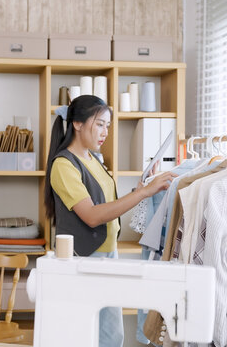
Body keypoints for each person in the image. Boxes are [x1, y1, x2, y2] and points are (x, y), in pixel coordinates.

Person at [44, 95, 176, 347]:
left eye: (108, 126)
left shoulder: (93, 160)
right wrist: (142, 193)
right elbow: (93, 216)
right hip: (84, 259)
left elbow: (107, 204)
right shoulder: (63, 165)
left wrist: (142, 188)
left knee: (111, 336)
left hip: (106, 256)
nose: (105, 132)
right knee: (90, 336)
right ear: (78, 124)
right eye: (100, 124)